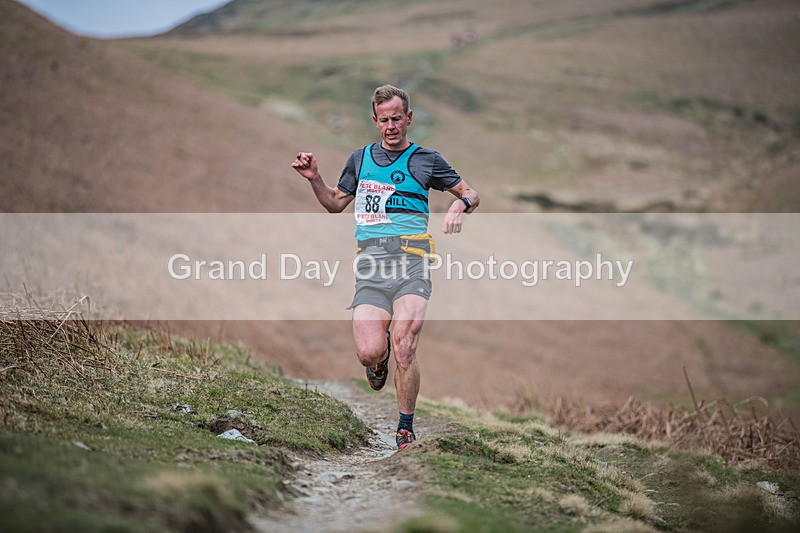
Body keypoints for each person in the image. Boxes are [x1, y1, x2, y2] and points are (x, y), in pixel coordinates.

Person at [291, 84, 479, 450]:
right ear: (375, 121)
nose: (390, 126)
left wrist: (460, 205)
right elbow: (335, 203)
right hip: (372, 266)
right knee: (369, 350)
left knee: (405, 345)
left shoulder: (427, 160)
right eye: (383, 120)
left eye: (396, 119)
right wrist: (314, 178)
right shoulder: (360, 159)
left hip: (413, 262)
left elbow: (471, 193)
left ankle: (405, 428)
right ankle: (378, 362)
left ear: (408, 118)